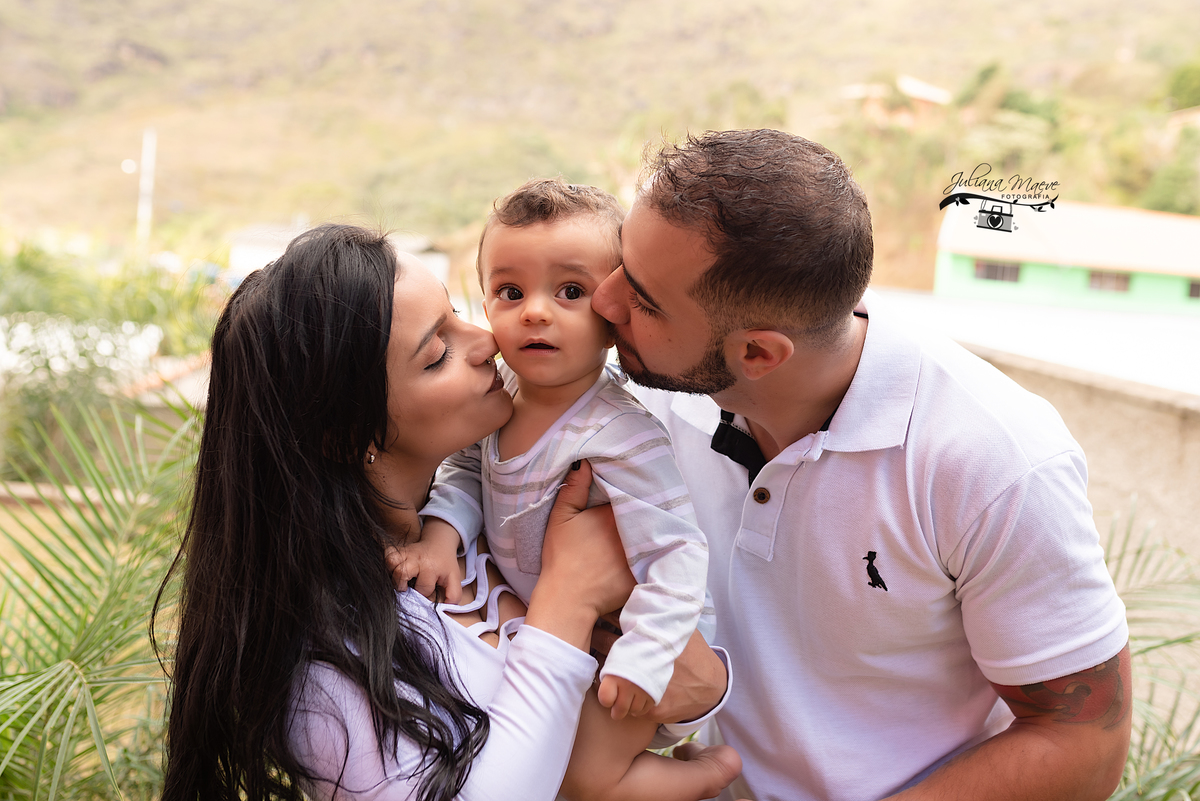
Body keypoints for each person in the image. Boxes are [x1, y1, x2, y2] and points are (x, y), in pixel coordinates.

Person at [586, 129, 1132, 801]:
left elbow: (1083, 740)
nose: (602, 302)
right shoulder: (641, 396)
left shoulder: (996, 459)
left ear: (758, 354)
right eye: (620, 263)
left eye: (642, 299)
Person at [152, 224, 737, 801]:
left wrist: (699, 687)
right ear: (349, 433)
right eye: (437, 354)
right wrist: (570, 597)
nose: (487, 342)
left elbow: (685, 683)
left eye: (461, 313)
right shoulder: (323, 669)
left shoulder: (489, 510)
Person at [395, 179, 723, 800]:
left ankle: (712, 773)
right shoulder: (499, 405)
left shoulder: (622, 434)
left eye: (570, 292)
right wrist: (439, 539)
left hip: (636, 639)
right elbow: (467, 474)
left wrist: (645, 658)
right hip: (560, 634)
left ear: (614, 315)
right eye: (510, 291)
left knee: (585, 779)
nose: (536, 312)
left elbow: (676, 552)